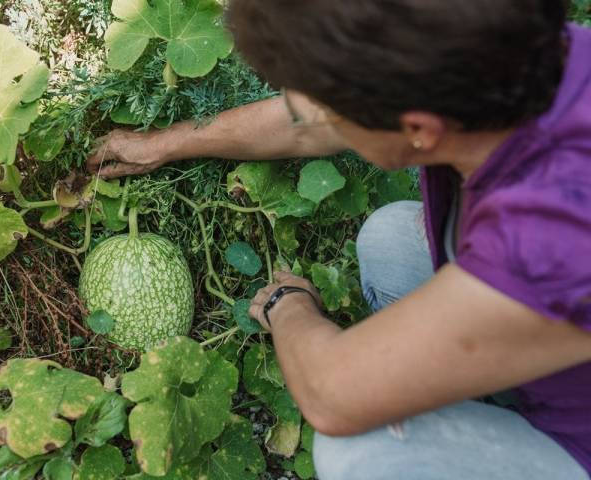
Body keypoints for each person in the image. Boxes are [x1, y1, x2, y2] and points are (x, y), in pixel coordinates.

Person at [87, 1, 591, 478]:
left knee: (358, 450)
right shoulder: (503, 57)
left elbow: (332, 395)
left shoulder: (555, 235)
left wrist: (290, 306)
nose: (304, 116)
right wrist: (164, 144)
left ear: (417, 128)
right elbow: (300, 129)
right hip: (551, 318)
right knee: (391, 239)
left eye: (323, 108)